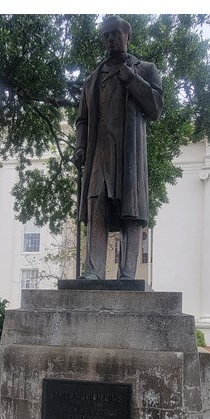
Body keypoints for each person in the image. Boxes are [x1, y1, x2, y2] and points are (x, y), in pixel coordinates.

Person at [75, 15, 163, 280]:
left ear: (127, 36)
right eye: (106, 35)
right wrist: (80, 147)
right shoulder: (92, 78)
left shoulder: (145, 69)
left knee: (131, 211)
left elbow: (156, 107)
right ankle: (94, 270)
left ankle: (127, 273)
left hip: (129, 154)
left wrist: (131, 79)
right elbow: (82, 118)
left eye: (115, 33)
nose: (110, 39)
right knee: (95, 204)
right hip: (98, 154)